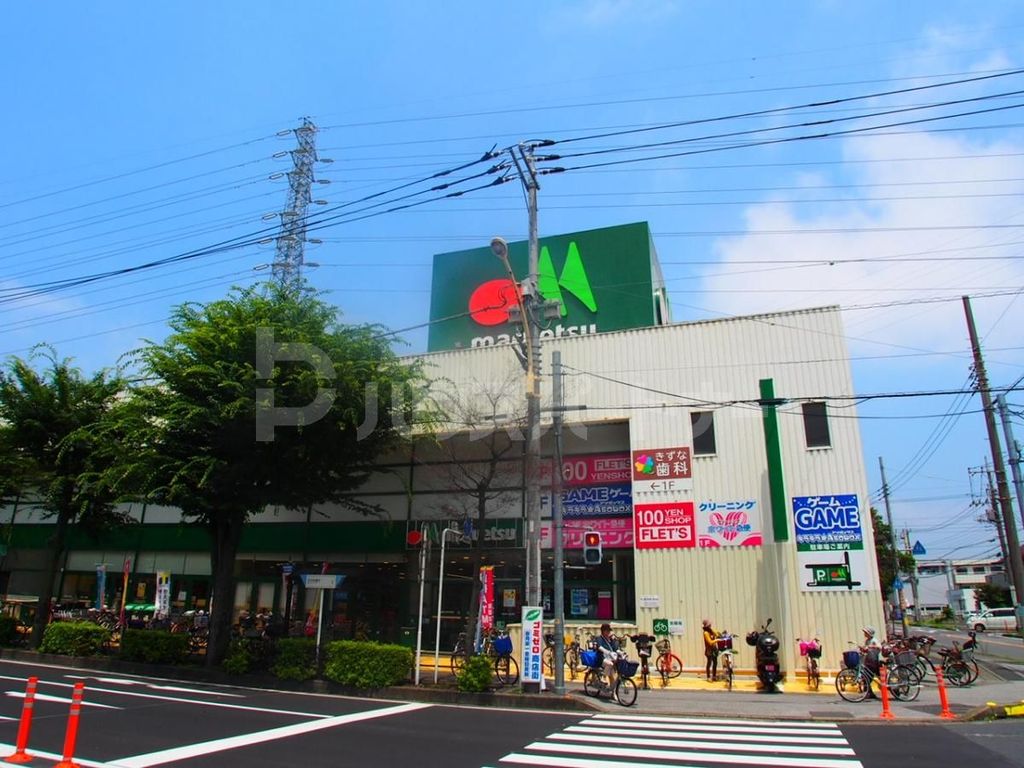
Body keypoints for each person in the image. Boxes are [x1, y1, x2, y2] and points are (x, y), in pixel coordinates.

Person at [596, 622, 620, 692]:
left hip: (610, 659)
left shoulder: (610, 639)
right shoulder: (599, 638)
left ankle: (613, 692)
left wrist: (614, 640)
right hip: (602, 659)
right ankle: (603, 677)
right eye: (607, 631)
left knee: (613, 677)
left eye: (609, 631)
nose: (609, 632)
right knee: (610, 664)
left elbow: (615, 649)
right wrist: (607, 652)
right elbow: (600, 647)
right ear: (603, 631)